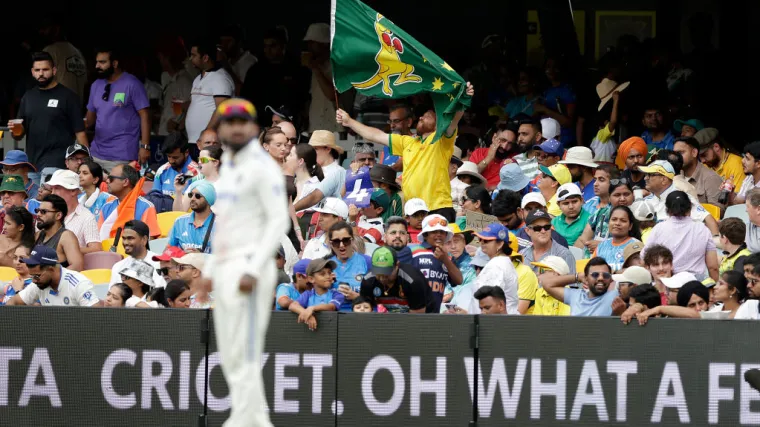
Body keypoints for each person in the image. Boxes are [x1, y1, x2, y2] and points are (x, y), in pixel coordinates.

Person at [205, 98, 287, 427]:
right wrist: (212, 270)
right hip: (227, 268)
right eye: (229, 122)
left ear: (254, 128)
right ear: (220, 129)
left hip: (249, 268)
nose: (236, 128)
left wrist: (253, 268)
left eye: (242, 122)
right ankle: (249, 420)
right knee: (232, 354)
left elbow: (278, 220)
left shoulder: (261, 166)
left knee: (247, 352)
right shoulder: (229, 164)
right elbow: (226, 224)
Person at [337, 83, 475, 222]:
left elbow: (453, 121)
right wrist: (349, 122)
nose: (420, 118)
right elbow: (375, 135)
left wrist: (462, 101)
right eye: (421, 116)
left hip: (437, 207)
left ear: (438, 124)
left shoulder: (441, 140)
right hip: (413, 209)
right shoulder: (407, 142)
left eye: (427, 116)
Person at [9, 52, 88, 174]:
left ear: (54, 70)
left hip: (58, 164)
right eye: (37, 70)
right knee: (35, 193)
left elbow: (80, 133)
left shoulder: (68, 96)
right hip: (32, 164)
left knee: (49, 193)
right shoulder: (28, 96)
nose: (41, 73)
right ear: (32, 72)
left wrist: (86, 163)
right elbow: (19, 134)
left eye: (45, 69)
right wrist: (15, 130)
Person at [85, 47, 151, 169]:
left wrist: (145, 146)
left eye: (102, 62)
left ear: (114, 63)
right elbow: (89, 121)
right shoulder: (95, 85)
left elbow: (145, 115)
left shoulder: (132, 83)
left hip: (122, 154)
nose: (97, 66)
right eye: (97, 62)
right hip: (96, 153)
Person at [6, 245, 98, 306]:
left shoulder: (78, 284)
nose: (33, 281)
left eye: (37, 276)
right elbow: (13, 302)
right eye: (32, 276)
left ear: (51, 269)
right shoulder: (38, 285)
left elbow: (96, 315)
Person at [465, 223, 519, 314]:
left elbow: (490, 302)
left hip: (493, 323)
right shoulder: (502, 262)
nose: (482, 242)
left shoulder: (496, 265)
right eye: (480, 239)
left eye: (486, 240)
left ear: (500, 244)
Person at [360, 246, 433, 313]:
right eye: (378, 272)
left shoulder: (412, 280)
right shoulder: (368, 280)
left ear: (397, 265)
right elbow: (365, 312)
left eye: (387, 272)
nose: (382, 278)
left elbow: (417, 317)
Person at [539, 257, 619, 316]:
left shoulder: (615, 296)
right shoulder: (575, 295)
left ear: (610, 278)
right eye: (595, 275)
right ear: (586, 278)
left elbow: (630, 276)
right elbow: (547, 284)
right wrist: (577, 277)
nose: (601, 278)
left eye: (605, 275)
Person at [98, 163, 160, 239]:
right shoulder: (106, 207)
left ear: (125, 182)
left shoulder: (146, 207)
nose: (107, 181)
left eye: (111, 178)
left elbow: (149, 240)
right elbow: (99, 237)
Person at [46, 170, 101, 254]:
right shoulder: (45, 213)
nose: (52, 193)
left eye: (57, 188)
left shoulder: (86, 217)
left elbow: (96, 249)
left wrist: (65, 250)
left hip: (71, 266)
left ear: (73, 191)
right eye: (52, 189)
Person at [109, 220, 165, 287]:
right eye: (124, 238)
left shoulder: (159, 263)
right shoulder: (118, 267)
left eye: (130, 238)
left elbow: (159, 292)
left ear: (144, 239)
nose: (125, 242)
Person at [288, 258, 344, 326]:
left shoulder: (337, 294)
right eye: (322, 274)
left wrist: (312, 308)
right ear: (311, 279)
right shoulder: (308, 294)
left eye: (329, 273)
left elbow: (331, 307)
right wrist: (307, 314)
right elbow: (292, 305)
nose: (328, 276)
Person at [34, 194, 83, 271]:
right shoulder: (38, 235)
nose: (38, 214)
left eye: (43, 211)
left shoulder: (66, 236)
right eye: (37, 211)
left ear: (58, 215)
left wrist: (55, 278)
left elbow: (77, 266)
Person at [168, 180, 216, 253]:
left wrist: (201, 257)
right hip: (182, 263)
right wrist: (182, 254)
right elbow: (168, 250)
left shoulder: (221, 225)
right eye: (191, 195)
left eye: (197, 196)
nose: (192, 199)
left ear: (208, 199)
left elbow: (228, 258)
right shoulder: (180, 222)